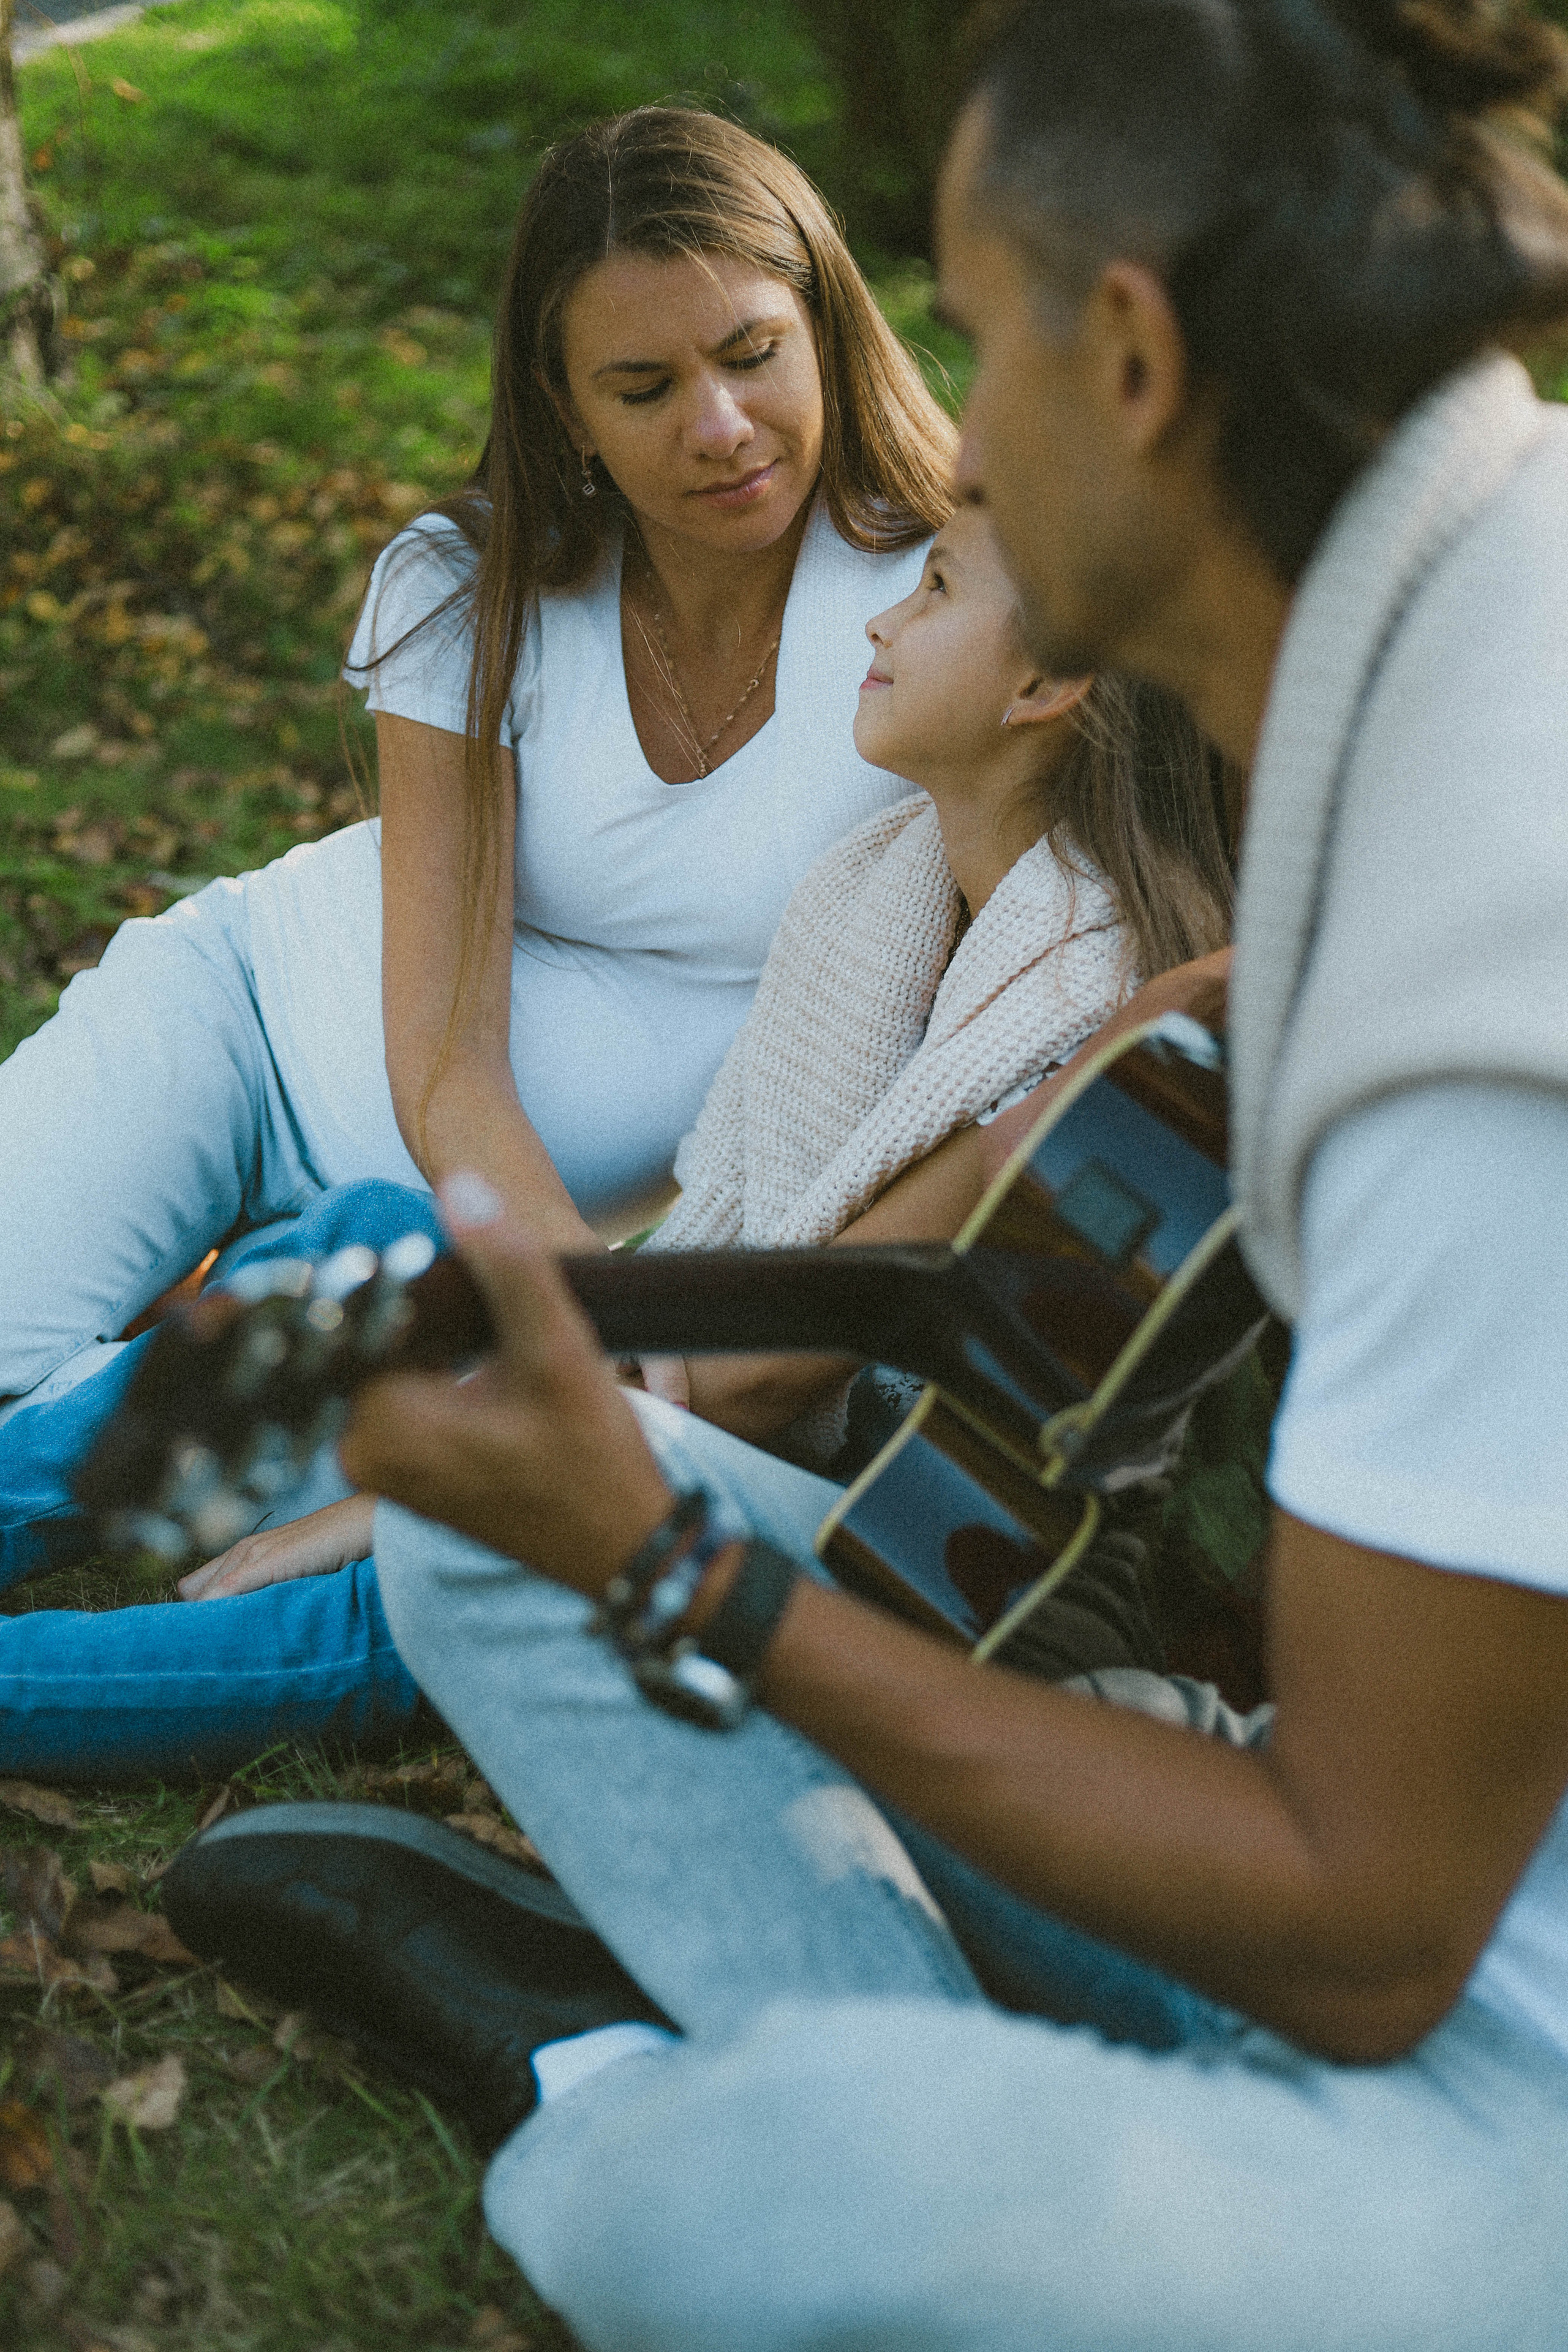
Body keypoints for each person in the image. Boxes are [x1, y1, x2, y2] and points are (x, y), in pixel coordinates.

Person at [162, 2, 1568, 2346]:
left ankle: (608, 2075)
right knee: (472, 1538)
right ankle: (946, 2078)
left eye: (985, 338)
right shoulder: (1449, 611)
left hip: (1481, 2056)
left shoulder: (1479, 971)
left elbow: (1364, 1929)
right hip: (1296, 1822)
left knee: (775, 2201)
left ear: (1127, 357)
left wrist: (685, 1570)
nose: (949, 440)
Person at [0, 503, 1228, 1776]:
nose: (879, 615)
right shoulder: (882, 889)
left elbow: (772, 1384)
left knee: (458, 1570)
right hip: (705, 1413)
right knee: (370, 1244)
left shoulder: (1078, 1011)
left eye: (930, 591)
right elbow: (715, 1260)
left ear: (1045, 680)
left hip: (854, 1527)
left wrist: (414, 1496)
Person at [0, 102, 952, 1492]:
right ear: (564, 407)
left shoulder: (934, 601)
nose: (719, 427)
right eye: (642, 388)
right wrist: (597, 1333)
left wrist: (603, 1324)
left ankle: (223, 1322)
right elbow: (448, 1065)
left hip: (482, 1237)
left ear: (824, 325)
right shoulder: (470, 588)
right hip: (245, 1031)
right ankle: (209, 1326)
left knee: (256, 1457)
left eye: (753, 354)